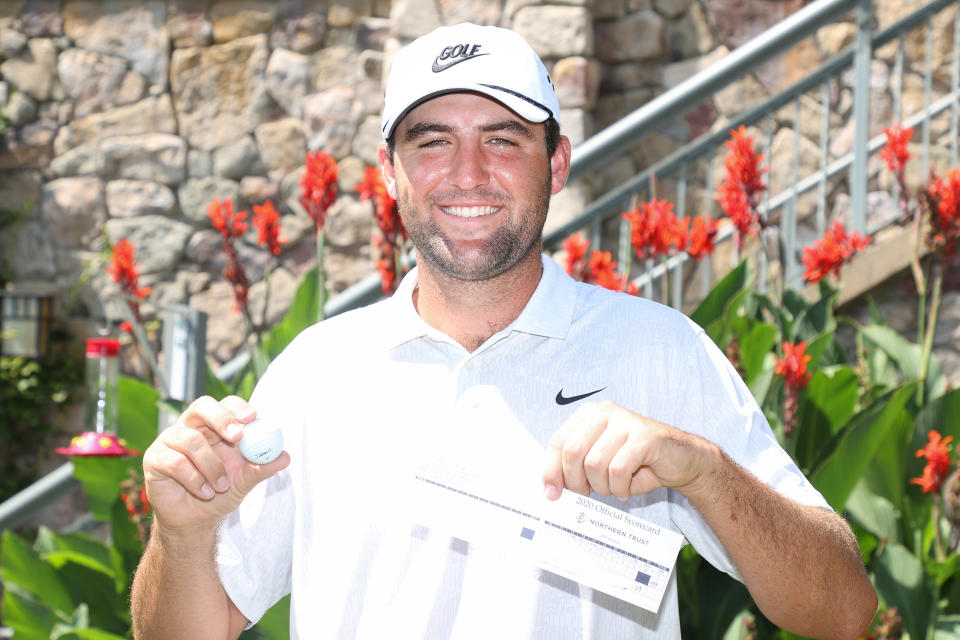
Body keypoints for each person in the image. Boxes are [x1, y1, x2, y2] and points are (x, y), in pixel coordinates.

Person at [131, 22, 877, 639]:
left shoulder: (661, 349)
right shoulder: (315, 372)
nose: (467, 172)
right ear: (388, 173)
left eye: (502, 139)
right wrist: (184, 535)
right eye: (431, 142)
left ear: (556, 164)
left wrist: (707, 472)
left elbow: (843, 612)